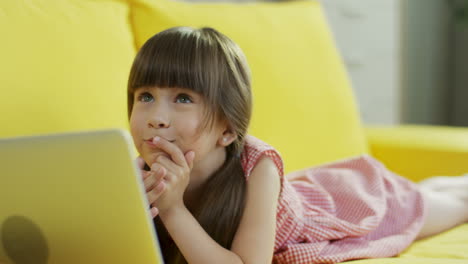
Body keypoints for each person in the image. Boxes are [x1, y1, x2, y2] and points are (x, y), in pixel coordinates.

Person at [127, 26, 468, 264]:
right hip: (308, 192)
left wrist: (173, 210)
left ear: (228, 130)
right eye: (145, 96)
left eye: (183, 98)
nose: (157, 117)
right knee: (428, 191)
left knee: (449, 204)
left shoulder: (257, 166)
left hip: (345, 209)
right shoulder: (134, 173)